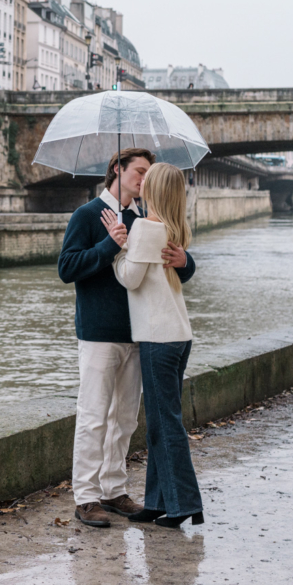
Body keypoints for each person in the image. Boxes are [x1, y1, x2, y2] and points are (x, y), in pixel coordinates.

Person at [58, 147, 195, 528]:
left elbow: (168, 274)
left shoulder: (144, 217)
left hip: (140, 334)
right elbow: (66, 268)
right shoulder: (86, 215)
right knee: (92, 416)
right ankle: (86, 497)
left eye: (149, 174)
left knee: (125, 419)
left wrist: (187, 263)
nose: (144, 179)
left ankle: (114, 489)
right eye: (138, 171)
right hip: (99, 333)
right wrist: (108, 245)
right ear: (116, 170)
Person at [114, 162, 204, 527]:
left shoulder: (145, 227)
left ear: (155, 189)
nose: (141, 182)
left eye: (146, 179)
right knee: (159, 425)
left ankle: (184, 506)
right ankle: (157, 502)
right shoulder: (172, 226)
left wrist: (119, 250)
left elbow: (130, 279)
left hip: (158, 337)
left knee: (165, 425)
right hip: (177, 334)